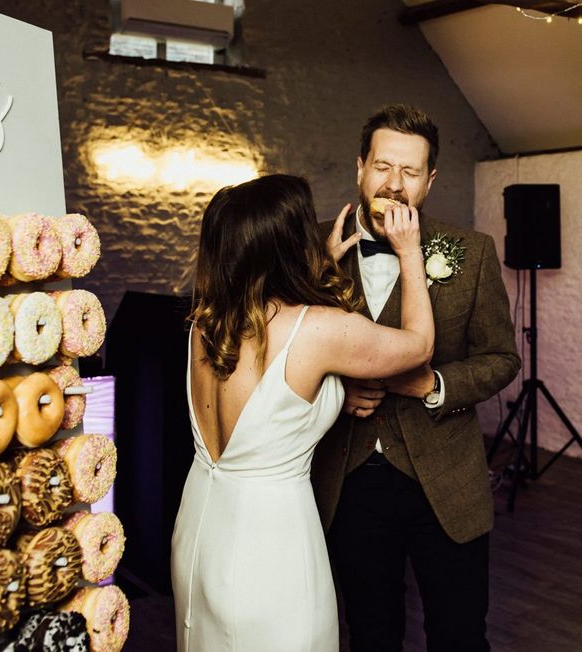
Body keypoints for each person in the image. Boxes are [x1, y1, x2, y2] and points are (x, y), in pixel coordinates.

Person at [171, 173, 435, 652]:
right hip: (270, 544)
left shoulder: (205, 323)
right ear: (288, 246)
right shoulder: (317, 330)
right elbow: (418, 347)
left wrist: (314, 271)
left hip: (199, 530)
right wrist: (410, 253)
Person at [312, 104, 521, 652]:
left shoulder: (471, 253)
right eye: (383, 167)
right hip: (348, 476)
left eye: (410, 173)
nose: (394, 186)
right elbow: (280, 353)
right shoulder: (311, 249)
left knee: (458, 634)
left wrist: (437, 386)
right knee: (371, 631)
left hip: (446, 481)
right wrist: (336, 388)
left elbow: (502, 358)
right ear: (360, 167)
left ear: (429, 182)